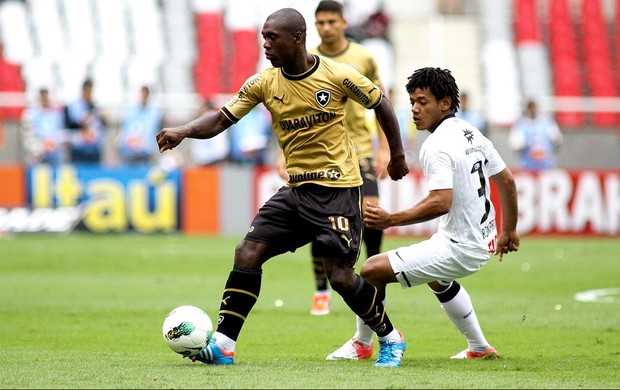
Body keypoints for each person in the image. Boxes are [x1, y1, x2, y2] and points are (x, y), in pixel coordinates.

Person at [156, 7, 410, 367]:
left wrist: (397, 156)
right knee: (247, 252)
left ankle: (390, 337)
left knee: (339, 276)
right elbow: (221, 118)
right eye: (263, 37)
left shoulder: (337, 75)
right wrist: (183, 130)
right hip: (296, 190)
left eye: (272, 37)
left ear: (297, 38)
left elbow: (381, 102)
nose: (265, 45)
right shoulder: (264, 82)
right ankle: (225, 344)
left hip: (337, 191)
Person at [327, 67, 519, 363]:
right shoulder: (471, 132)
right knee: (437, 279)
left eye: (422, 102)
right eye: (412, 102)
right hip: (481, 240)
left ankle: (362, 344)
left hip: (460, 246)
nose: (414, 110)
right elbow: (506, 180)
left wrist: (391, 219)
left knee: (370, 270)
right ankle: (479, 347)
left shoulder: (438, 144)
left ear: (445, 103)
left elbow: (440, 202)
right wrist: (509, 231)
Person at [274, 0, 391, 317]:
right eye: (320, 22)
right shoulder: (306, 59)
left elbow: (382, 101)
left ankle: (374, 277)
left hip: (361, 149)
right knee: (318, 221)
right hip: (321, 153)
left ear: (342, 23)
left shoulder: (363, 57)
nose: (326, 27)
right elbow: (285, 109)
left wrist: (385, 148)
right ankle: (321, 290)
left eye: (331, 21)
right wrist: (282, 153)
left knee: (373, 213)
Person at [508, 99, 563, 170]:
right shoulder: (521, 125)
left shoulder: (548, 123)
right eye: (530, 108)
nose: (532, 110)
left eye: (533, 107)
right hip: (527, 167)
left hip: (547, 166)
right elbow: (515, 145)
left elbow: (558, 140)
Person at [117, 85, 162, 165]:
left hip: (145, 152)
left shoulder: (154, 113)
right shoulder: (130, 111)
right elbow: (126, 130)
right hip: (129, 151)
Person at [64, 78, 106, 164]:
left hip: (93, 148)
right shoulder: (73, 106)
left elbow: (99, 127)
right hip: (78, 148)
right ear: (83, 89)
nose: (89, 93)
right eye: (88, 90)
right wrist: (82, 123)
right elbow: (69, 124)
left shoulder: (94, 107)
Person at [21, 87, 66, 165]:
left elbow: (60, 132)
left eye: (46, 96)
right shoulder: (30, 113)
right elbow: (28, 134)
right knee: (33, 152)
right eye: (43, 96)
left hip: (53, 147)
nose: (45, 99)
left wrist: (52, 142)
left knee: (60, 152)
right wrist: (42, 144)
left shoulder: (56, 114)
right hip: (37, 147)